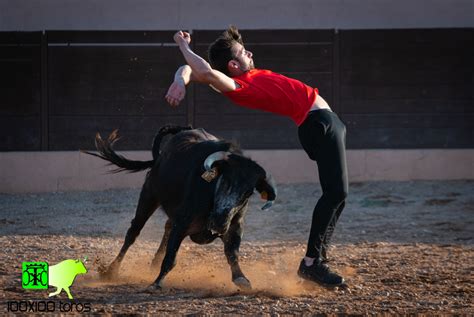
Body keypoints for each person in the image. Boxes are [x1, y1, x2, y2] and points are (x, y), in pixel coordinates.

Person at [165, 26, 348, 287]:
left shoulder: (249, 76)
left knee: (338, 195)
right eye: (242, 52)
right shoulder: (236, 85)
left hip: (324, 123)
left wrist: (179, 80)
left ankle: (316, 261)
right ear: (232, 64)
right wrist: (183, 46)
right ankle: (312, 263)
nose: (249, 53)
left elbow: (189, 71)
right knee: (336, 193)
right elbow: (203, 71)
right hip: (318, 123)